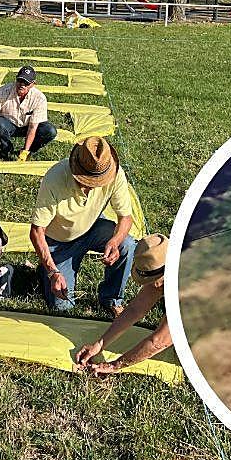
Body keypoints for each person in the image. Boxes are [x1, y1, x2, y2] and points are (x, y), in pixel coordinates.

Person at [29, 136, 136, 314]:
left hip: (92, 227)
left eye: (98, 181)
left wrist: (115, 242)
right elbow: (37, 231)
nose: (93, 186)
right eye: (87, 181)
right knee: (62, 306)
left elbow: (126, 218)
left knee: (127, 245)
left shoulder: (115, 174)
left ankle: (112, 299)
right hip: (58, 243)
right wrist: (52, 272)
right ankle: (44, 272)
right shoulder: (55, 178)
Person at [74, 233, 172, 375]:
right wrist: (99, 344)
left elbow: (159, 341)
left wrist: (114, 365)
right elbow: (135, 309)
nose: (151, 286)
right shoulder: (163, 266)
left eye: (154, 280)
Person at [0, 65, 58, 161]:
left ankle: (29, 151)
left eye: (26, 83)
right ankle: (6, 149)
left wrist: (25, 150)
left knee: (50, 131)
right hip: (8, 124)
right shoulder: (3, 92)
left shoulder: (39, 98)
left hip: (28, 126)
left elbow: (32, 127)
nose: (22, 84)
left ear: (33, 84)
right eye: (19, 81)